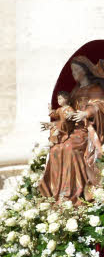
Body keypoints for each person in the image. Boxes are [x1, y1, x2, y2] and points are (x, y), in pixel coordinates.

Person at [39, 56, 104, 202]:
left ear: (85, 71)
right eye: (72, 70)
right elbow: (67, 113)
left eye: (76, 70)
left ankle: (72, 193)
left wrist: (85, 113)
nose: (73, 73)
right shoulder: (75, 91)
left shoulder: (95, 88)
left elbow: (100, 106)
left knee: (69, 148)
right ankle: (57, 193)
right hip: (72, 130)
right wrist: (54, 124)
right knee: (56, 149)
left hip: (87, 130)